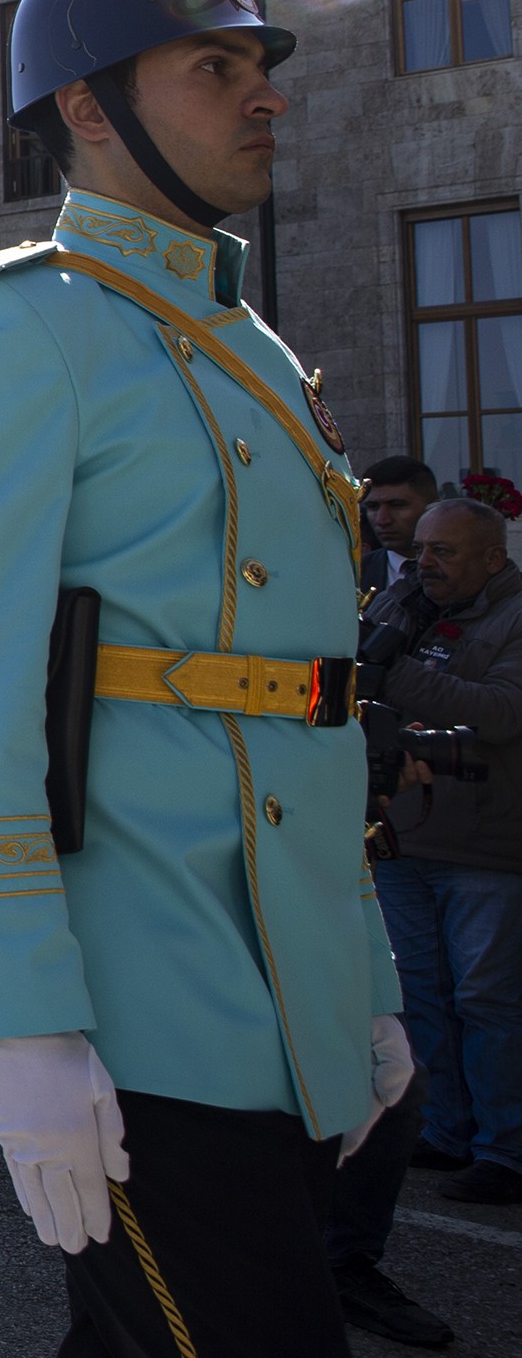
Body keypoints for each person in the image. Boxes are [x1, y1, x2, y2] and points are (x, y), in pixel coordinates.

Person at [0, 0, 405, 1357]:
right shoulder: (5, 329)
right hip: (133, 1005)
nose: (263, 98)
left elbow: (311, 707)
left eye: (261, 71)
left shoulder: (258, 351)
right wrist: (17, 1015)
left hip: (285, 993)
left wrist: (361, 976)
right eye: (214, 68)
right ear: (89, 108)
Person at [366, 497, 522, 1204]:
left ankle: (505, 1150)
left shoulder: (515, 617)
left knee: (488, 1001)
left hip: (486, 847)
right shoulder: (401, 604)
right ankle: (445, 1132)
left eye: (444, 552)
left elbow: (500, 712)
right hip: (403, 838)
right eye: (422, 549)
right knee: (422, 995)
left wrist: (388, 668)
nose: (424, 562)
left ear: (493, 557)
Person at [361, 457, 439, 596]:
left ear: (433, 507)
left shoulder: (468, 570)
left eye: (397, 505)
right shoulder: (353, 575)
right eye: (373, 507)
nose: (382, 520)